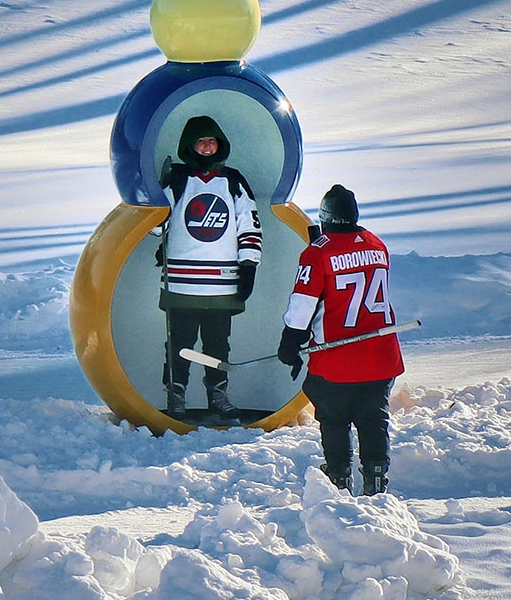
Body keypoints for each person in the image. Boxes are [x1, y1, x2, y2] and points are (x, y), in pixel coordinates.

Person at [277, 185, 403, 495]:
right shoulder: (377, 243)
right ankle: (376, 477)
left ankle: (338, 475)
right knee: (373, 417)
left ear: (324, 218)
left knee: (334, 417)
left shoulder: (317, 251)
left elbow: (303, 304)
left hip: (338, 358)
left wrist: (291, 342)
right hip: (381, 354)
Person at [158, 115, 262, 420]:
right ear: (190, 145)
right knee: (180, 341)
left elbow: (250, 224)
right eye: (201, 140)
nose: (206, 146)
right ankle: (175, 393)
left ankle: (217, 393)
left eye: (211, 140)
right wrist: (152, 192)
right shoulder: (177, 180)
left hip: (222, 281)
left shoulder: (232, 180)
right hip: (182, 281)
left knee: (218, 342)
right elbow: (154, 225)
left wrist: (249, 264)